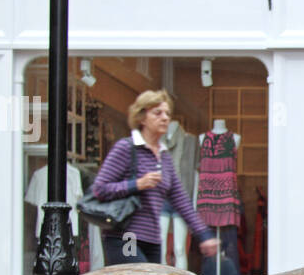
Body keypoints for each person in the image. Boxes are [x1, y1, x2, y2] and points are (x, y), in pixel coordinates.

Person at [92, 90, 219, 266]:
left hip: (152, 241)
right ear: (142, 118)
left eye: (167, 113)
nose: (165, 118)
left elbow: (180, 199)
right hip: (126, 237)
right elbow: (100, 189)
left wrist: (204, 235)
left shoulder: (164, 156)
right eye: (157, 113)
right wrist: (137, 184)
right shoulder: (127, 148)